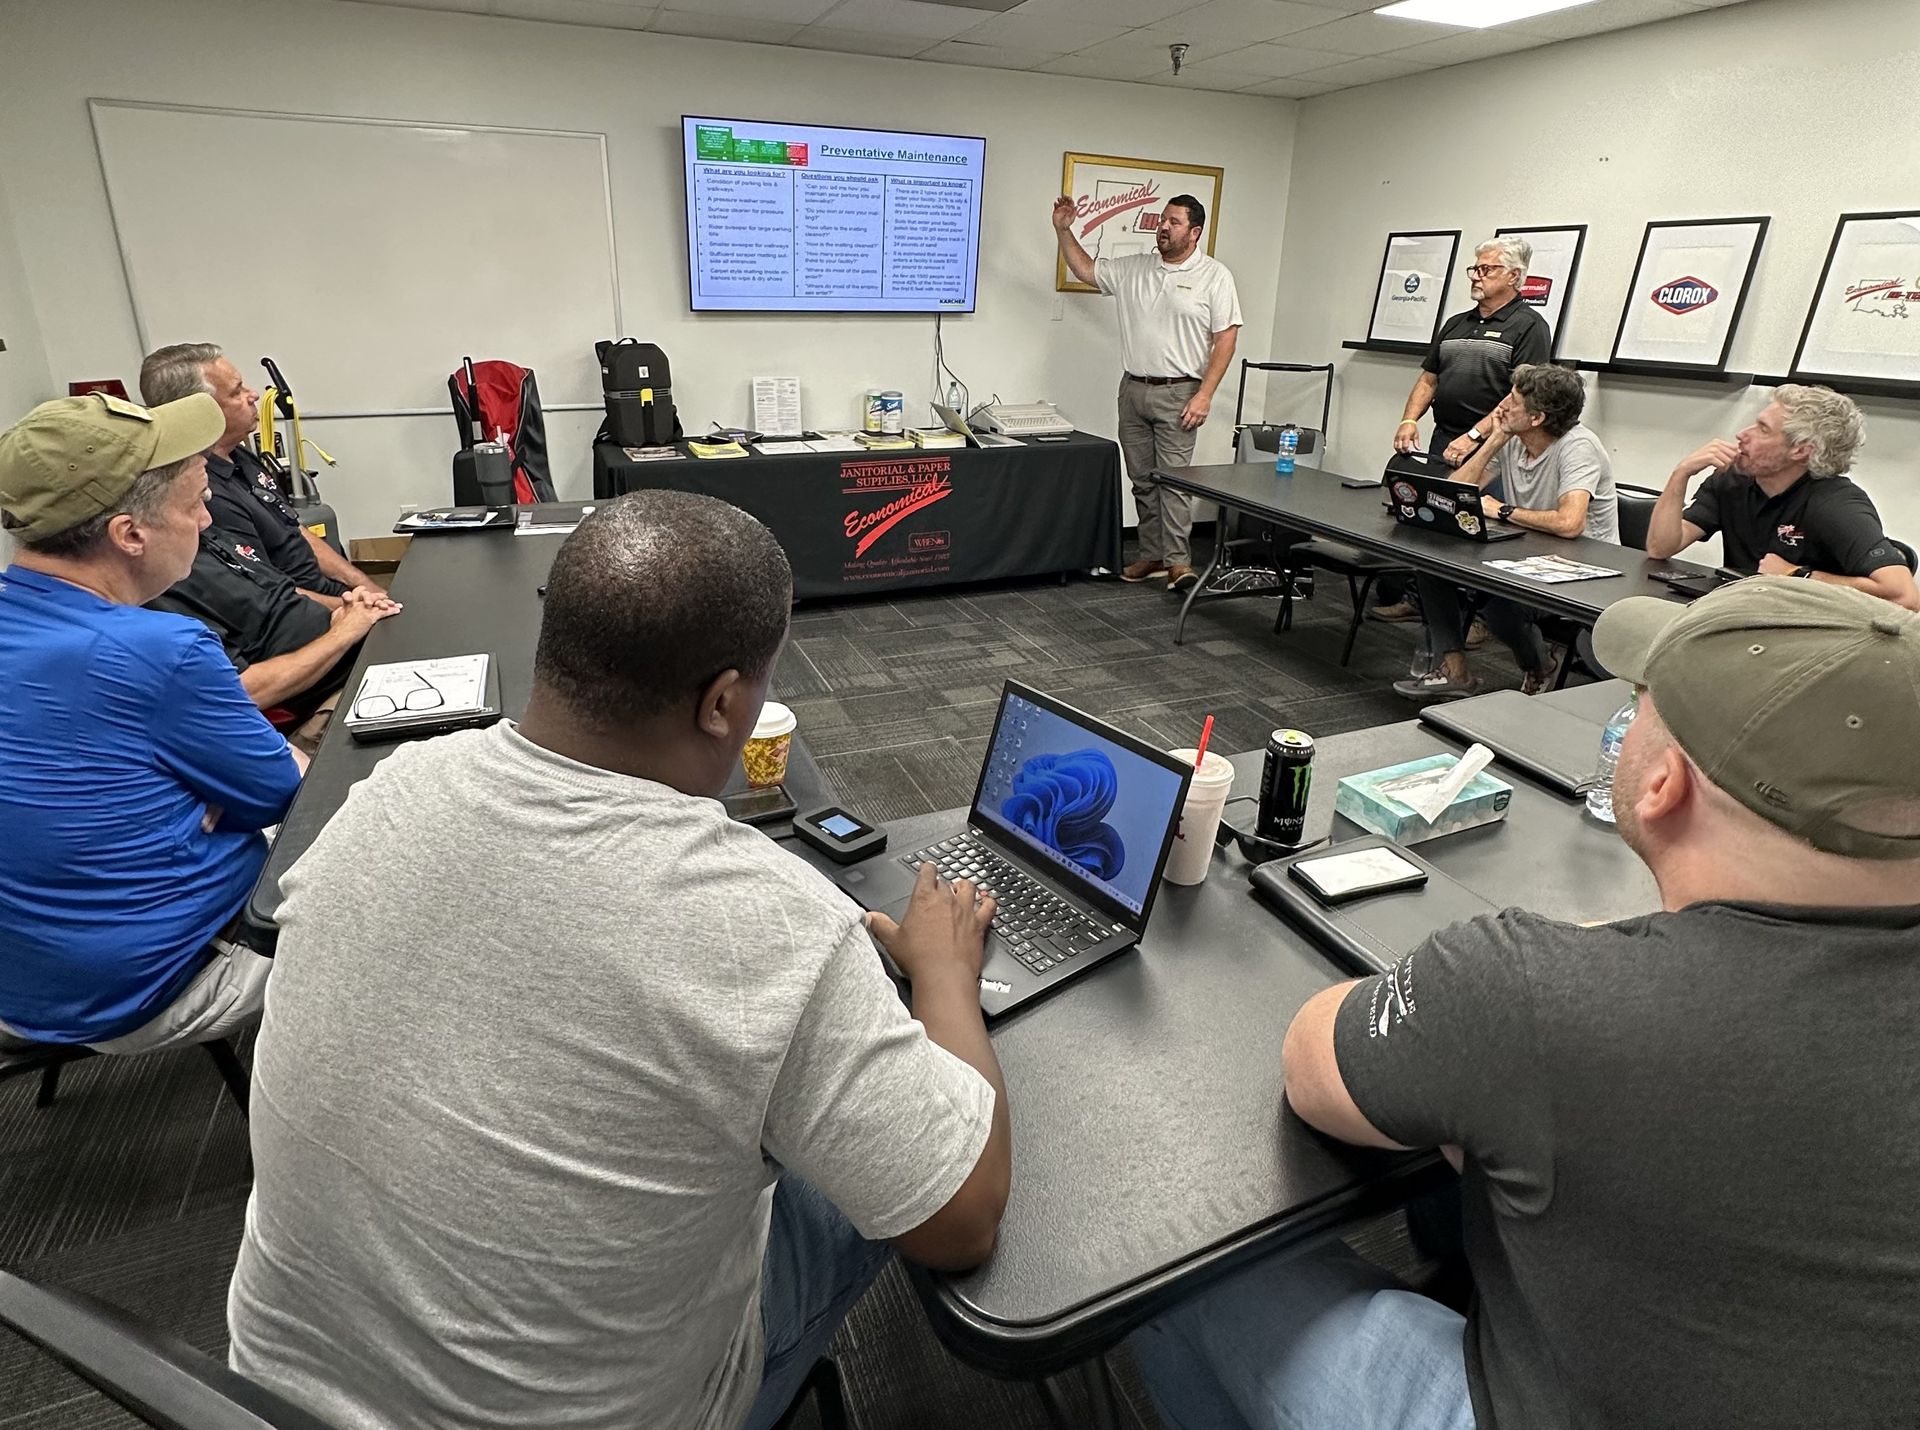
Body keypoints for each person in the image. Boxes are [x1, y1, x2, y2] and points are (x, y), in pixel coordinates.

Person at [227, 491, 1013, 1430]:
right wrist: (944, 980)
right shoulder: (774, 922)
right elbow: (963, 1227)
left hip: (270, 1399)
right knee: (901, 1146)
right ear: (724, 702)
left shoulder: (387, 791)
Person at [1132, 576, 1920, 1430]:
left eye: (1642, 701)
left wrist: (1503, 1030)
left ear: (1664, 782)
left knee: (1173, 1266)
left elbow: (1313, 1062)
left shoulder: (1543, 990)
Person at [0, 392, 304, 1052]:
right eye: (196, 501)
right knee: (395, 861)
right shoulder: (162, 651)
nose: (206, 517)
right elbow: (288, 798)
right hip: (149, 989)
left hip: (20, 984)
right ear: (129, 534)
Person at [1053, 191, 1242, 593]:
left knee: (1173, 481)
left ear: (1195, 231)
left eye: (1174, 222)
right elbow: (1086, 270)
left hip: (1181, 393)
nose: (1163, 227)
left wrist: (1205, 394)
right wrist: (1064, 230)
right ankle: (1153, 555)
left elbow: (1226, 339)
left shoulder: (1214, 276)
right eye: (1162, 220)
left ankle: (1179, 563)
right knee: (1142, 480)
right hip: (1133, 390)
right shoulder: (1136, 268)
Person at [1395, 364, 1617, 699]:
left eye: (1511, 402)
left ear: (1537, 417)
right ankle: (1454, 670)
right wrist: (1494, 439)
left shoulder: (1578, 447)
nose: (1501, 408)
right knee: (1433, 567)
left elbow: (1570, 523)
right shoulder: (1514, 438)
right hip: (1527, 549)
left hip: (1583, 566)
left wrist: (1502, 510)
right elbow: (1455, 492)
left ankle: (1540, 665)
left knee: (1498, 599)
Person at [1375, 236, 1553, 624]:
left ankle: (1475, 619)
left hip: (1493, 445)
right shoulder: (1457, 324)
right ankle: (1420, 598)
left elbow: (1519, 396)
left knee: (1475, 532)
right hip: (1444, 438)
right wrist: (1409, 420)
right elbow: (1428, 379)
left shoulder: (1529, 328)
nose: (1476, 277)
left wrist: (1475, 436)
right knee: (1432, 524)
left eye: (1486, 270)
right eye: (1475, 269)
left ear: (1515, 277)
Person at [139, 342, 377, 603]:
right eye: (236, 392)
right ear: (201, 411)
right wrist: (356, 608)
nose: (253, 394)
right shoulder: (204, 493)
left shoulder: (240, 455)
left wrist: (361, 583)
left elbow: (293, 529)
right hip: (304, 613)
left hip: (331, 595)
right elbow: (261, 588)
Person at [1645, 384, 1917, 610]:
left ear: (1800, 450)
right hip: (1739, 611)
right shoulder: (1733, 480)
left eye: (1762, 429)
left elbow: (1905, 597)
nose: (1742, 435)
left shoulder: (1836, 505)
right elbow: (1662, 547)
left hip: (1806, 631)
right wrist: (1681, 474)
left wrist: (1798, 576)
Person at [147, 523, 399, 728]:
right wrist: (343, 633)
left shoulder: (206, 533)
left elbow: (286, 594)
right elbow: (241, 692)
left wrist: (348, 610)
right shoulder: (159, 587)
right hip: (323, 702)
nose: (206, 515)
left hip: (353, 655)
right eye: (192, 504)